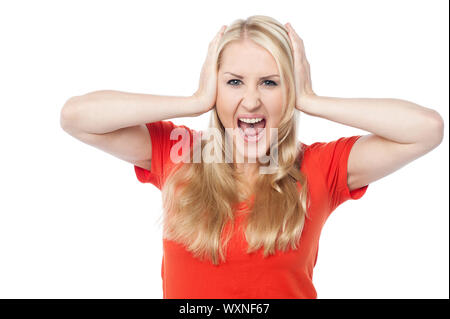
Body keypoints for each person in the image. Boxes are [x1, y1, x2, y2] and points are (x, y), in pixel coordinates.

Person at [59, 15, 444, 299]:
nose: (251, 99)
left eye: (270, 82)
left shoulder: (318, 168)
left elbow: (426, 129)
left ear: (288, 91)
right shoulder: (179, 151)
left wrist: (311, 99)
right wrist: (193, 101)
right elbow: (76, 117)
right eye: (234, 82)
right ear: (216, 89)